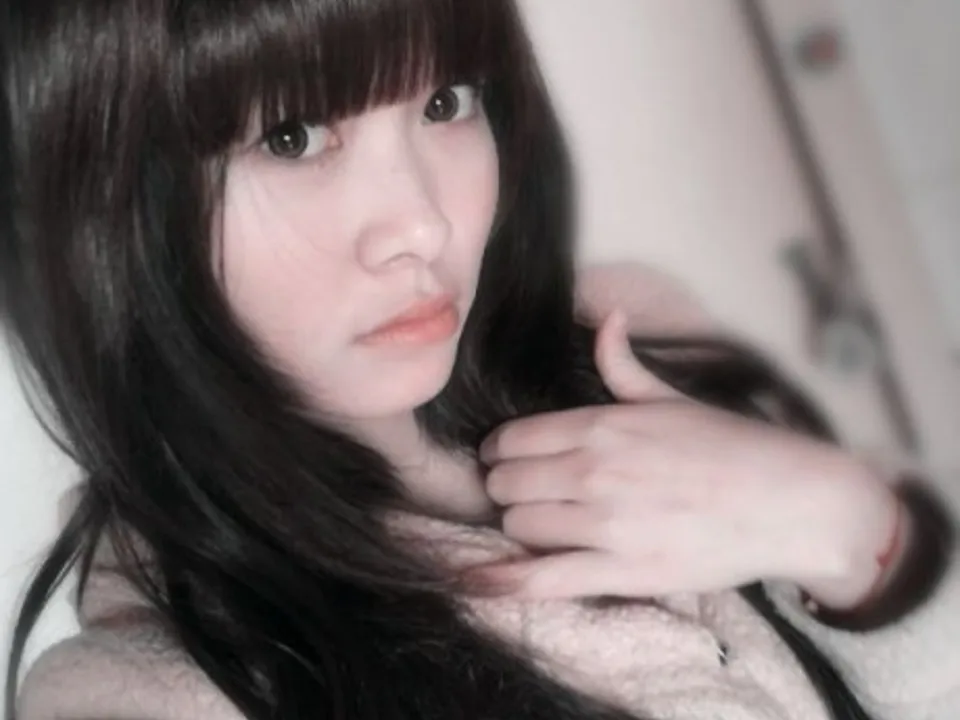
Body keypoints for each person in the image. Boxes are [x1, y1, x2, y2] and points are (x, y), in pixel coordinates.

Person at [0, 1, 956, 719]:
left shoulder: (635, 349)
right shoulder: (156, 693)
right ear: (103, 209)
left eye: (446, 101)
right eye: (293, 137)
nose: (424, 222)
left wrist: (857, 538)